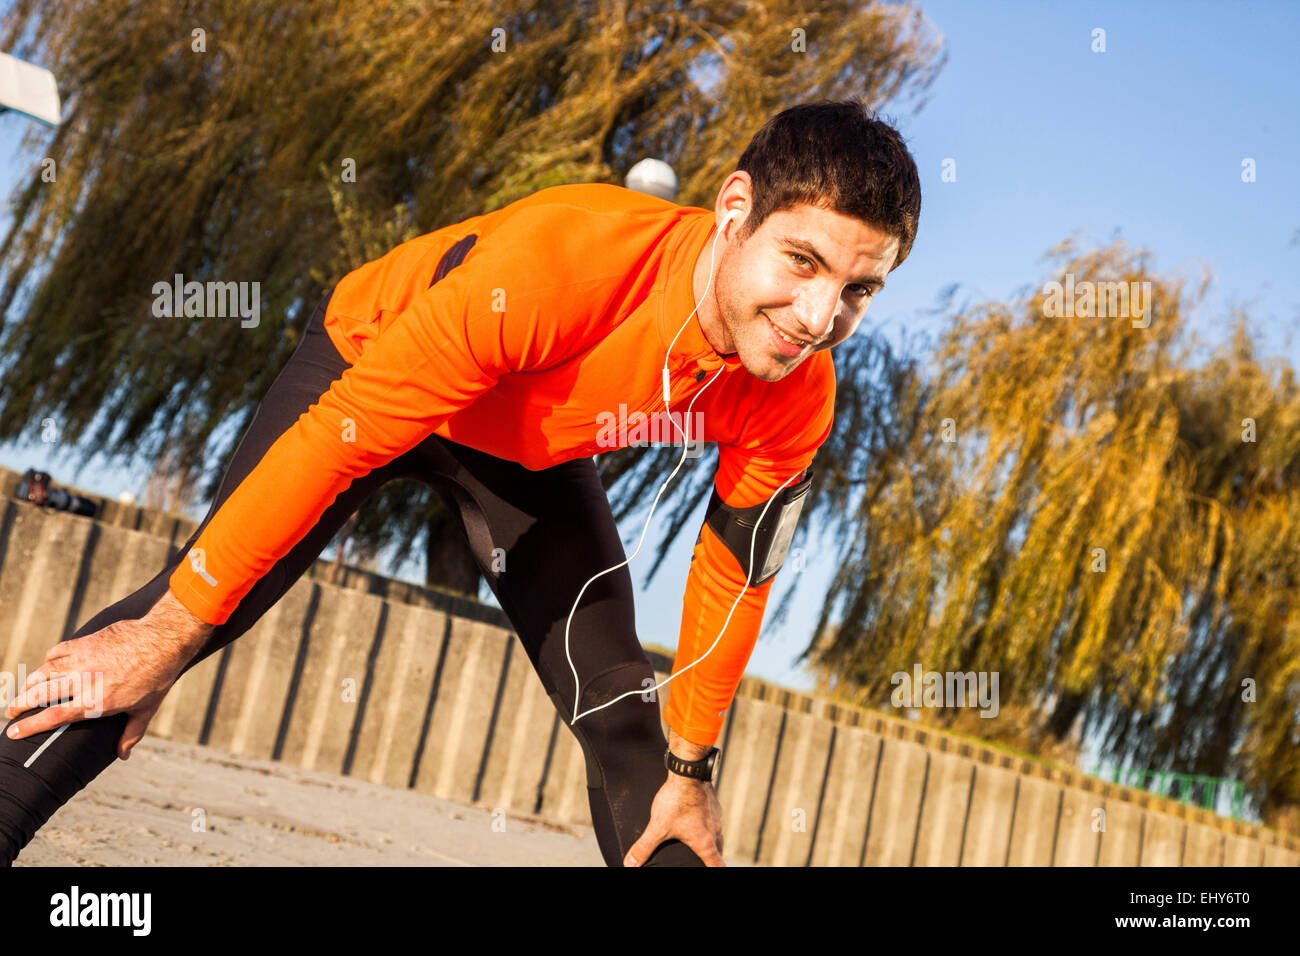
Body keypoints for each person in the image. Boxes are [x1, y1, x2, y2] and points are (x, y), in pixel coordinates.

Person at [0, 99, 920, 867]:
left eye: (857, 289)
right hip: (366, 380)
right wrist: (174, 630)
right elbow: (343, 437)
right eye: (802, 262)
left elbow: (735, 577)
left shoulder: (798, 393)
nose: (818, 315)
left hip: (523, 453)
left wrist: (692, 762)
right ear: (735, 210)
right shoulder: (572, 261)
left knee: (644, 746)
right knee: (184, 617)